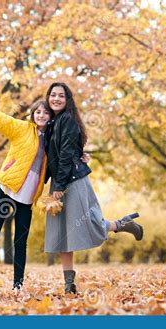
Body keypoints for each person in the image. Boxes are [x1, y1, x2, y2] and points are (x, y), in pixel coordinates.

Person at [0, 91, 89, 290]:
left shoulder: (52, 139)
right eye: (38, 112)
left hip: (27, 198)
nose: (41, 115)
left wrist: (81, 156)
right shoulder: (21, 129)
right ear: (32, 114)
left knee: (20, 242)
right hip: (8, 190)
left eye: (45, 113)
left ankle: (17, 285)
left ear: (50, 117)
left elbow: (65, 155)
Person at [44, 82, 144, 294]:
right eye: (53, 95)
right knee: (62, 234)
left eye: (61, 96)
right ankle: (68, 284)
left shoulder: (67, 120)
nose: (56, 99)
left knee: (89, 223)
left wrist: (59, 186)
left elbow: (64, 156)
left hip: (72, 181)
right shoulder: (53, 122)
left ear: (67, 99)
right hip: (59, 181)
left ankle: (122, 224)